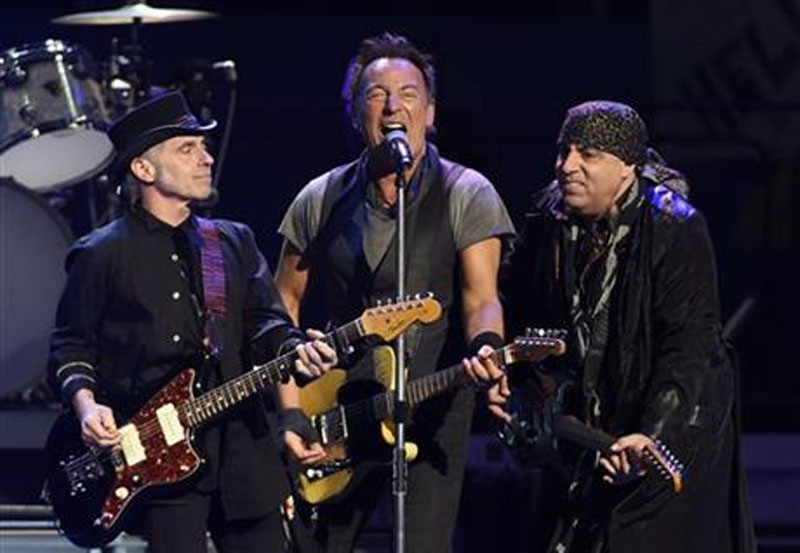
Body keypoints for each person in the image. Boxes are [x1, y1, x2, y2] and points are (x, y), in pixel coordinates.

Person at [47, 91, 337, 553]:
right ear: (143, 169)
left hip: (243, 452)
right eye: (188, 149)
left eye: (203, 147)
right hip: (158, 462)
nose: (206, 159)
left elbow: (267, 325)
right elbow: (70, 347)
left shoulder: (232, 241)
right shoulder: (101, 253)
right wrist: (85, 407)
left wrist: (293, 351)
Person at [476, 100, 756, 553]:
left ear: (628, 167)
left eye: (588, 155)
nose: (567, 166)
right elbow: (515, 302)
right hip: (585, 432)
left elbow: (689, 348)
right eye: (564, 151)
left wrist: (655, 434)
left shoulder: (675, 227)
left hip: (670, 432)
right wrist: (508, 371)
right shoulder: (549, 218)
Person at [274, 33, 515, 553]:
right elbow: (280, 311)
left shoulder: (467, 191)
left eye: (408, 94)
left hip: (429, 406)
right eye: (376, 94)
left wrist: (486, 345)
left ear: (429, 112)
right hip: (338, 407)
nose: (392, 106)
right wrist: (293, 414)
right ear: (356, 111)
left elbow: (481, 298)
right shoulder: (319, 198)